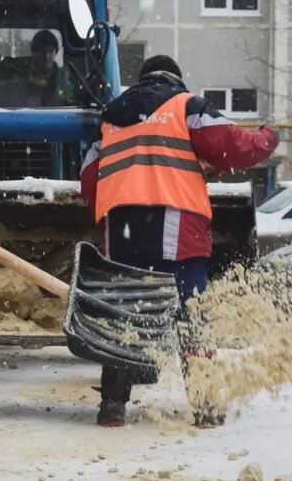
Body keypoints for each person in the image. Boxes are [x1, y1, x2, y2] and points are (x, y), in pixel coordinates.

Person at [79, 55, 278, 428]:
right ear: (175, 80)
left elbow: (89, 179)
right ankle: (204, 407)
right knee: (192, 317)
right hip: (176, 232)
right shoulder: (185, 107)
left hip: (123, 237)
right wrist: (269, 137)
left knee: (125, 317)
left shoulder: (111, 116)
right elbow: (232, 145)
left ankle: (112, 408)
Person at [0, 29, 73, 107]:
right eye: (42, 51)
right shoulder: (10, 68)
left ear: (56, 52)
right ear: (33, 52)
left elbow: (71, 104)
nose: (46, 56)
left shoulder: (63, 79)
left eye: (50, 51)